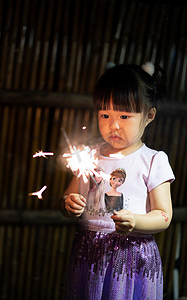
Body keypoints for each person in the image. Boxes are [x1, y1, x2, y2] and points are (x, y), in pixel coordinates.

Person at [59, 62, 175, 300]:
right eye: (105, 114)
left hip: (131, 258)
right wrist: (69, 203)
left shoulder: (153, 161)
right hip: (88, 255)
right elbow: (67, 197)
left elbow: (164, 216)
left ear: (149, 116)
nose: (113, 124)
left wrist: (136, 221)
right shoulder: (88, 156)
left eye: (124, 115)